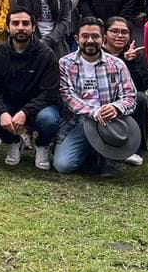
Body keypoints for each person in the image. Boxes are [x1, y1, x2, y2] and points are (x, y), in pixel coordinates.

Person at [54, 17, 138, 177]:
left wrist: (115, 108)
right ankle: (93, 154)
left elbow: (130, 96)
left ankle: (106, 157)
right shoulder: (65, 63)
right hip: (77, 121)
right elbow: (67, 96)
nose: (90, 40)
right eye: (85, 36)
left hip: (109, 122)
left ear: (104, 39)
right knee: (63, 165)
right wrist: (94, 112)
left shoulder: (117, 64)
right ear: (77, 39)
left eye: (95, 36)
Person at [0, 9, 60, 170]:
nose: (20, 27)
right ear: (7, 27)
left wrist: (25, 112)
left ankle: (42, 145)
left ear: (33, 27)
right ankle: (13, 142)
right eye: (15, 23)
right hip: (9, 105)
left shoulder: (46, 54)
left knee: (50, 120)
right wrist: (2, 112)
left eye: (25, 23)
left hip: (40, 107)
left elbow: (49, 92)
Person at [102, 15, 148, 167]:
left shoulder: (137, 55)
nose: (119, 35)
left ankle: (138, 149)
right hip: (103, 101)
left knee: (142, 99)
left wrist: (130, 63)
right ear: (105, 35)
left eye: (124, 32)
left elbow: (143, 85)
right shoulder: (97, 53)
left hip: (127, 101)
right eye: (114, 31)